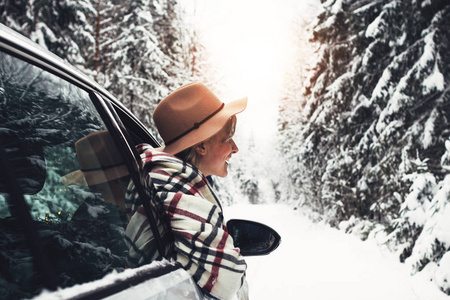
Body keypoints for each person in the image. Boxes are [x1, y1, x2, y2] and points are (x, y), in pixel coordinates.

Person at [125, 82, 248, 300]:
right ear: (201, 146)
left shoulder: (160, 183)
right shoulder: (174, 193)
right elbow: (227, 280)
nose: (235, 148)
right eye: (227, 138)